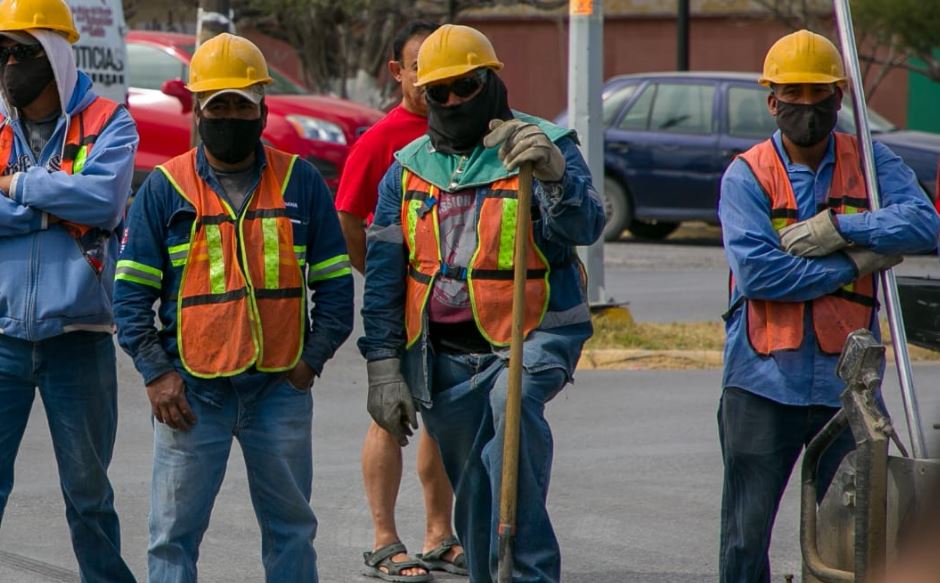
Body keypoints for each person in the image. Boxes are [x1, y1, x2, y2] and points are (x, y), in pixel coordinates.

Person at [358, 23, 604, 583]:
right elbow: (383, 279)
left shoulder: (543, 146)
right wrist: (384, 367)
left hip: (531, 336)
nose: (451, 101)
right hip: (443, 353)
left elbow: (586, 225)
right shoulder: (407, 169)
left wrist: (555, 176)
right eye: (437, 92)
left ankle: (531, 574)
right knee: (472, 486)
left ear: (491, 81)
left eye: (464, 87)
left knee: (510, 420)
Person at [112, 33, 353, 582]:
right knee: (172, 540)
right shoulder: (165, 188)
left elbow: (337, 287)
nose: (229, 117)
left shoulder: (300, 181)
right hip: (191, 394)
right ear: (198, 110)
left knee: (292, 532)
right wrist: (157, 374)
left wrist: (309, 361)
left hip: (279, 389)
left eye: (241, 106)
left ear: (262, 111)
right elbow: (130, 295)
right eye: (217, 106)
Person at [717, 29, 940, 583]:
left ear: (839, 98)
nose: (808, 106)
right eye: (794, 93)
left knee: (861, 537)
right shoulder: (747, 175)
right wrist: (856, 263)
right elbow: (761, 274)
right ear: (773, 101)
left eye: (819, 93)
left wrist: (842, 227)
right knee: (745, 538)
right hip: (763, 382)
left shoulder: (870, 161)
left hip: (850, 387)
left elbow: (924, 223)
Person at [0, 0, 139, 580]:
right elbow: (81, 202)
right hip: (2, 338)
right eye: (2, 52)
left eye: (22, 51)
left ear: (55, 54)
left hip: (78, 339)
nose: (10, 64)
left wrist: (16, 187)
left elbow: (103, 201)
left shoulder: (110, 122)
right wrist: (53, 207)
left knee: (88, 495)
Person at [335, 20, 467, 581]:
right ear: (397, 72)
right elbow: (348, 215)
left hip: (455, 310)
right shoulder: (380, 140)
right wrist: (384, 279)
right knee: (390, 416)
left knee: (442, 421)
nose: (436, 82)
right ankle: (384, 540)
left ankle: (440, 534)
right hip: (405, 309)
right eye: (421, 68)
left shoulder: (469, 127)